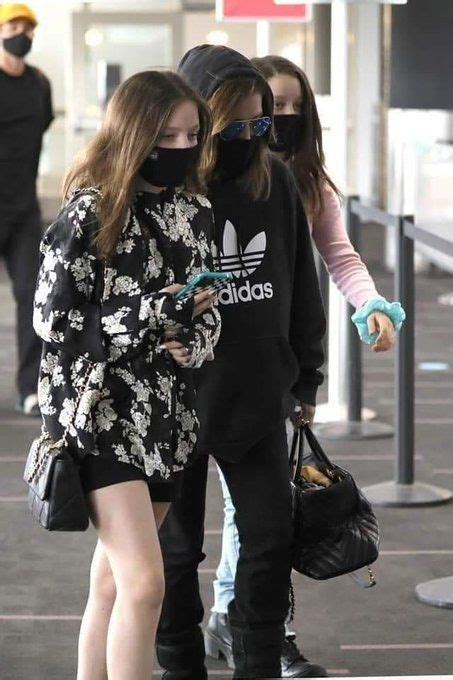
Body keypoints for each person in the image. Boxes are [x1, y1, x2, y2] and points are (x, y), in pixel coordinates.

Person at [204, 54, 406, 678]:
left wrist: (371, 302)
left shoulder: (307, 181)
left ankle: (245, 623)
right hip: (209, 374)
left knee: (259, 514)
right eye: (272, 105)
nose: (282, 117)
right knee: (246, 517)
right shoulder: (203, 176)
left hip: (275, 369)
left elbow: (339, 257)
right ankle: (234, 619)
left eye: (293, 106)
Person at [32, 70, 221, 680]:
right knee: (144, 585)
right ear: (133, 134)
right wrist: (152, 313)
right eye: (166, 136)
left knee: (114, 585)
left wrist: (194, 338)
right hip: (97, 415)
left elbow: (208, 311)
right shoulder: (88, 212)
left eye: (192, 135)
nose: (182, 148)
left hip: (166, 416)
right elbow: (51, 318)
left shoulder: (196, 211)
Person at [157, 45, 326, 679]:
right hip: (176, 403)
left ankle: (256, 662)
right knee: (176, 557)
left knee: (268, 542)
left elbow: (300, 287)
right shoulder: (167, 186)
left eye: (263, 125)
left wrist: (308, 375)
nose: (254, 137)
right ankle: (179, 667)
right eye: (238, 126)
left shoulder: (273, 178)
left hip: (257, 396)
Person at [0, 3, 54, 416]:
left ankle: (30, 388)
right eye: (14, 26)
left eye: (27, 27)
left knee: (33, 295)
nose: (23, 33)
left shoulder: (39, 84)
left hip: (23, 209)